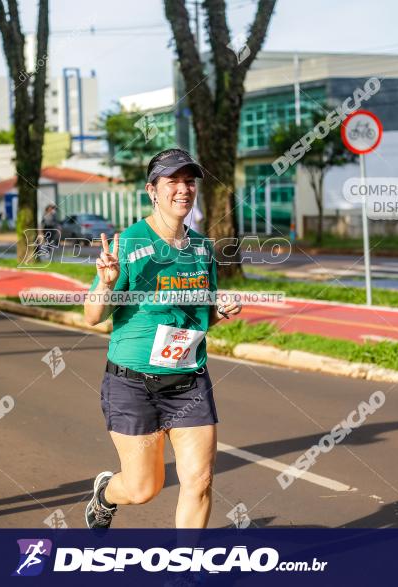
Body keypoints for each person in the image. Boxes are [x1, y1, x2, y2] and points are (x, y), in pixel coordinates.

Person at [83, 148, 242, 529]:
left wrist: (219, 312)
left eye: (190, 181)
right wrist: (106, 284)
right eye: (173, 181)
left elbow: (199, 322)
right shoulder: (129, 244)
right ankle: (106, 493)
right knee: (143, 488)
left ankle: (185, 570)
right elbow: (92, 316)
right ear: (152, 190)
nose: (184, 189)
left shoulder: (202, 250)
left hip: (189, 382)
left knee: (199, 481)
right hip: (133, 383)